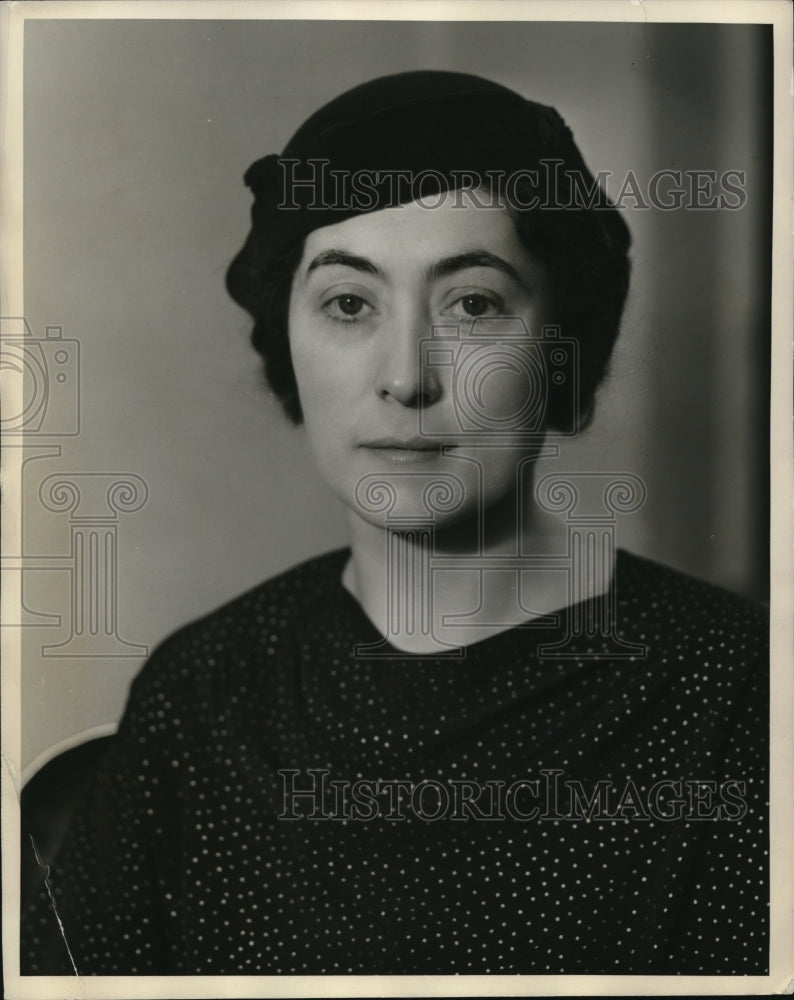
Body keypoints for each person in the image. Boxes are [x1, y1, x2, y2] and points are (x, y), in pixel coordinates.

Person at [21, 70, 768, 976]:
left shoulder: (742, 692)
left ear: (562, 350)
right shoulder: (202, 695)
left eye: (474, 305)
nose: (407, 376)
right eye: (349, 304)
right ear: (288, 342)